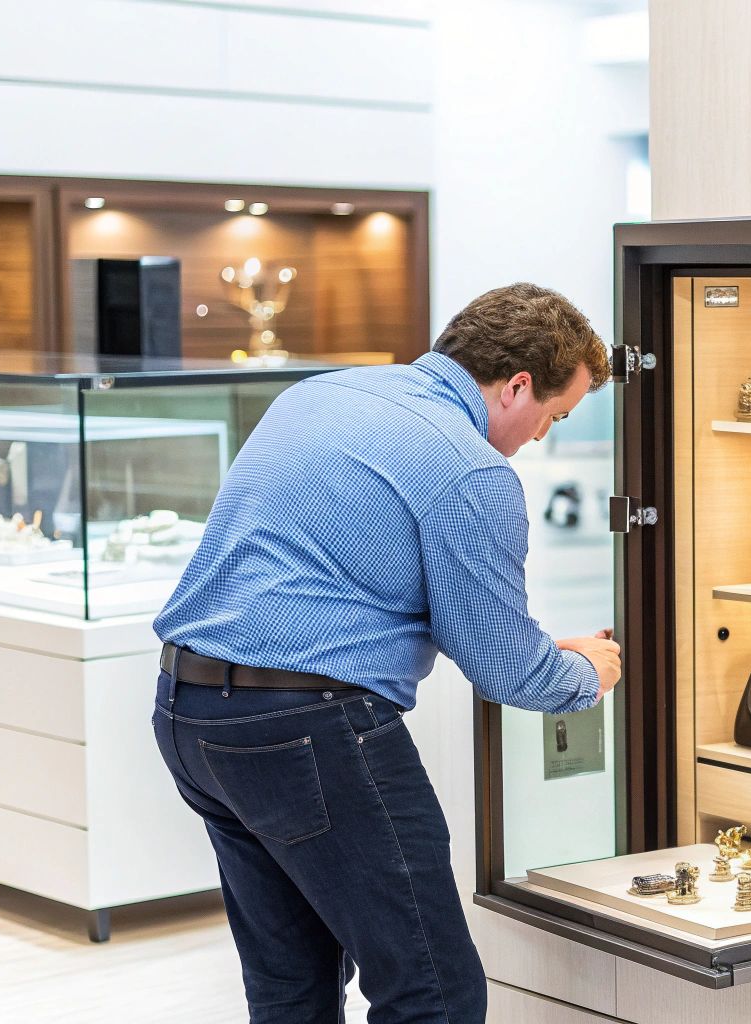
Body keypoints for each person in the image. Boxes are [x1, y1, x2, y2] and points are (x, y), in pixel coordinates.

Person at [150, 282, 621, 1023]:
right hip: (304, 727)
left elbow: (354, 577)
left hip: (192, 712)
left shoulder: (325, 394)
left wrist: (532, 646)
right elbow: (506, 672)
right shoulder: (470, 468)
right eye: (551, 417)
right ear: (517, 386)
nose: (540, 439)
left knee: (291, 983)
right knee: (432, 991)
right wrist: (586, 673)